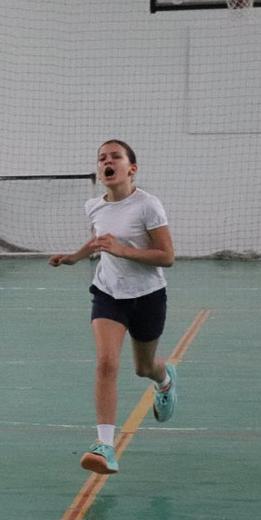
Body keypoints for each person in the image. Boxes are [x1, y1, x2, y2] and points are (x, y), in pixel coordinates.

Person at [48, 139, 177, 475]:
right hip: (108, 292)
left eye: (115, 157)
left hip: (148, 296)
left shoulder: (148, 205)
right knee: (106, 362)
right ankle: (104, 446)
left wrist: (123, 251)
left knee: (144, 368)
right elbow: (99, 240)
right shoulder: (94, 206)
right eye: (102, 158)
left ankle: (164, 380)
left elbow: (167, 256)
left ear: (131, 168)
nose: (107, 161)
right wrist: (74, 257)